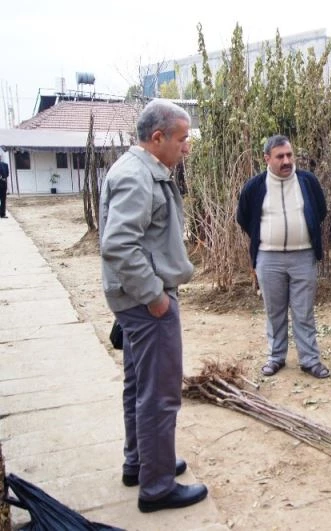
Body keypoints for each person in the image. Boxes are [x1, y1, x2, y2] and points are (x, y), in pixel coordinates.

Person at [99, 99, 208, 513]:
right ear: (157, 137)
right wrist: (155, 296)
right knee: (159, 394)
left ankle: (141, 463)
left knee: (139, 386)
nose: (186, 148)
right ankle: (158, 486)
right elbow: (119, 245)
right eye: (181, 139)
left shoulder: (140, 171)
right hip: (146, 303)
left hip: (136, 300)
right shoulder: (137, 176)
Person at [236, 135, 330, 379]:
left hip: (303, 257)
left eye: (289, 155)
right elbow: (244, 218)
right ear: (267, 158)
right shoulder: (255, 186)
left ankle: (309, 360)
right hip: (268, 259)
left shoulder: (307, 182)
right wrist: (267, 237)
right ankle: (276, 358)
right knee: (274, 311)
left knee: (304, 312)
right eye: (280, 156)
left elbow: (320, 211)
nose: (287, 160)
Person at [0, 148, 9, 218]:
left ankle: (2, 214)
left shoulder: (5, 165)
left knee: (3, 199)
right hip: (2, 181)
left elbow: (7, 174)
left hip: (3, 183)